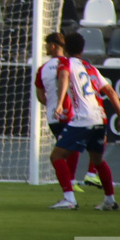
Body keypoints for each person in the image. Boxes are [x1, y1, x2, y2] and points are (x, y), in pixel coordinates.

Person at [48, 32, 120, 210]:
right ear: (82, 50)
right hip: (100, 118)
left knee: (56, 156)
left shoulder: (65, 62)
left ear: (65, 49)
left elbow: (63, 77)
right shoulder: (91, 68)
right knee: (97, 160)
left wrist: (59, 103)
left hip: (82, 118)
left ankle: (69, 199)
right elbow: (111, 92)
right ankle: (109, 200)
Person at [33, 32, 86, 194]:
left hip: (53, 117)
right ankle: (70, 182)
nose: (46, 48)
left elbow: (40, 95)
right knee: (72, 148)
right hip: (71, 113)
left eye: (47, 45)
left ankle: (68, 182)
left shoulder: (42, 69)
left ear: (53, 46)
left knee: (64, 149)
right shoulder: (71, 64)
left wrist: (52, 104)